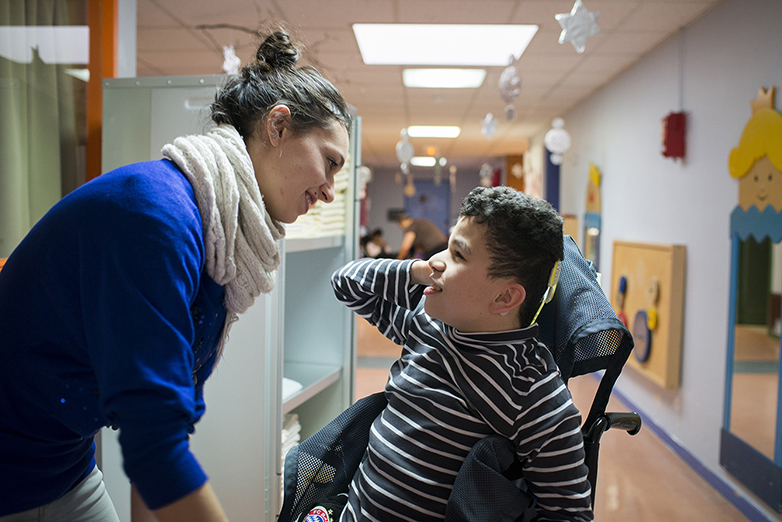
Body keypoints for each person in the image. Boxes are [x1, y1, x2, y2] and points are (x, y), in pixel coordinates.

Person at [0, 28, 351, 522]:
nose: (331, 190)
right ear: (277, 127)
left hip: (62, 468)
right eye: (330, 163)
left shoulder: (219, 242)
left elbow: (163, 433)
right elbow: (155, 449)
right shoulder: (155, 215)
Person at [327, 186, 593, 521]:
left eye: (458, 255)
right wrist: (412, 270)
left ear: (504, 298)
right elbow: (346, 283)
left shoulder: (532, 391)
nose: (436, 260)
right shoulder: (427, 326)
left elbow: (569, 515)